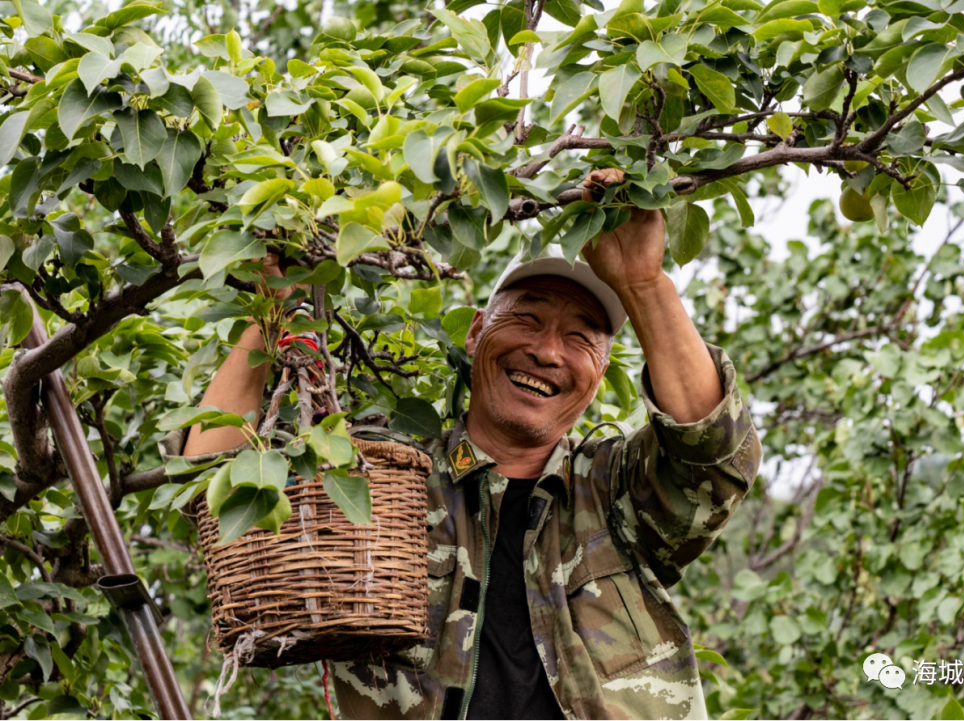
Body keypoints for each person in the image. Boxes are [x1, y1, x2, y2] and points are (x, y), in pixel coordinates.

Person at [170, 168, 762, 720]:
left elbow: (714, 449)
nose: (548, 351)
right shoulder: (383, 481)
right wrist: (269, 306)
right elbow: (216, 488)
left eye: (579, 338)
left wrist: (642, 282)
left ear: (599, 375)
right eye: (527, 320)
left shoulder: (618, 492)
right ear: (477, 331)